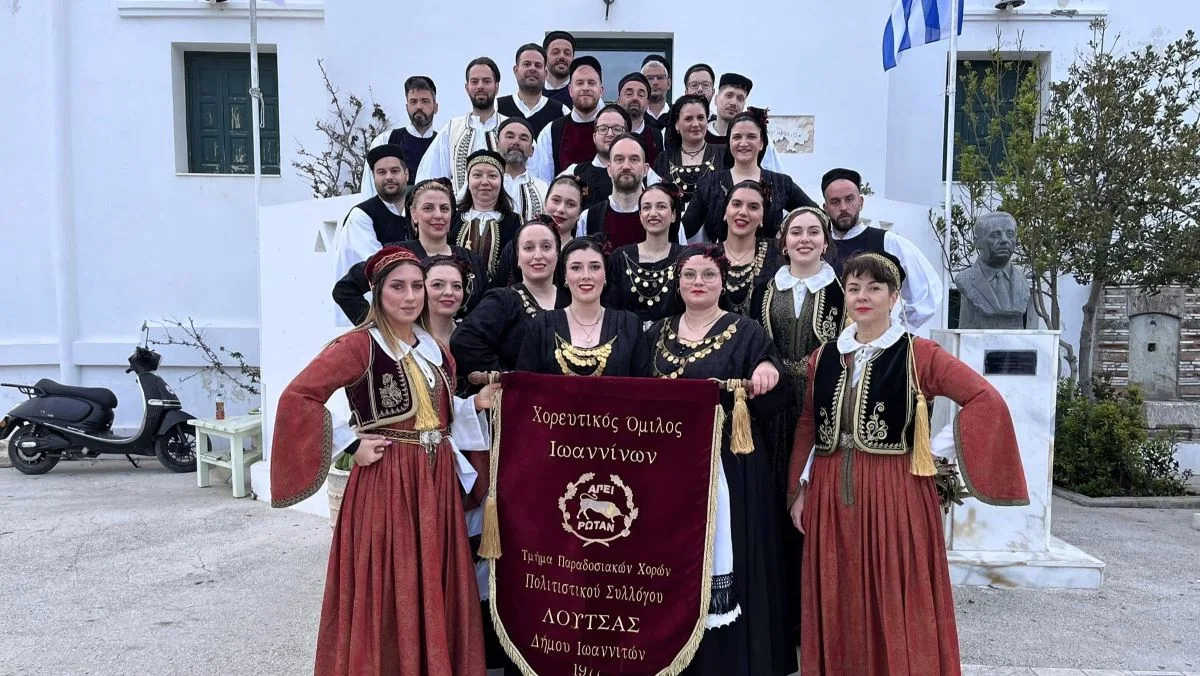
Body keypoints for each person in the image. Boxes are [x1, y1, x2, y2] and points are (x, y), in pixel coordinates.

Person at [788, 251, 1029, 676]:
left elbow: (983, 398)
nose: (863, 296)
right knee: (839, 588)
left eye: (874, 288)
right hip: (829, 490)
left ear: (894, 296)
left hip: (894, 491)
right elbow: (809, 421)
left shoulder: (920, 354)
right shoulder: (823, 356)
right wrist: (800, 489)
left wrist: (933, 450)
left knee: (894, 589)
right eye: (854, 288)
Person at [270, 245, 501, 676]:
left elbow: (438, 417)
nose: (410, 297)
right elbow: (299, 396)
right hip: (388, 482)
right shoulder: (359, 345)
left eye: (417, 287)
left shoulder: (434, 348)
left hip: (435, 481)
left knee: (433, 578)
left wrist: (476, 404)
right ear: (378, 293)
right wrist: (350, 444)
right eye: (398, 287)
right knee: (392, 579)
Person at [646, 244, 795, 676]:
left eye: (709, 275)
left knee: (729, 553)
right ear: (678, 282)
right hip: (667, 464)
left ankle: (728, 659)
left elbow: (777, 391)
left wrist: (768, 370)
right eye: (690, 275)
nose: (699, 282)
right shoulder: (655, 333)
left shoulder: (746, 332)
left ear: (722, 281)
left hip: (730, 463)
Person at [746, 206, 843, 639]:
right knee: (772, 499)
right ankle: (775, 615)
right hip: (771, 406)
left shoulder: (841, 291)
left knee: (813, 503)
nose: (805, 239)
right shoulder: (764, 290)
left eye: (813, 232)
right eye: (796, 232)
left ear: (825, 241)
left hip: (822, 404)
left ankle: (815, 615)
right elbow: (752, 343)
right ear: (783, 242)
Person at [332, 178, 488, 325]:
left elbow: (485, 308)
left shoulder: (471, 259)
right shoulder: (395, 254)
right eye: (428, 208)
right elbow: (345, 289)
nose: (438, 215)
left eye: (444, 208)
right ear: (414, 214)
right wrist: (379, 326)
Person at [821, 167, 942, 328]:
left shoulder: (887, 242)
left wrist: (898, 332)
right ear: (825, 208)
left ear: (860, 202)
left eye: (849, 199)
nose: (843, 207)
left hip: (872, 341)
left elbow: (927, 293)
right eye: (835, 202)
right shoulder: (817, 246)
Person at [450, 218, 570, 377]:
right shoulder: (503, 300)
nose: (538, 255)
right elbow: (463, 342)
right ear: (518, 257)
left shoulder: (571, 300)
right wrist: (506, 377)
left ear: (557, 254)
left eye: (546, 247)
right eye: (529, 248)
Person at [517, 237, 650, 376]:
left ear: (605, 275)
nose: (586, 276)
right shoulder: (541, 325)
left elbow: (643, 386)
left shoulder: (629, 325)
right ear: (565, 276)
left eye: (595, 267)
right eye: (576, 268)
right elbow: (524, 384)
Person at [683, 108, 817, 243]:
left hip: (770, 255)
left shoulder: (781, 183)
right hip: (722, 255)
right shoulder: (709, 184)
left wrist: (786, 233)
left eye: (751, 137)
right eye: (737, 137)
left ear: (762, 143)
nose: (743, 143)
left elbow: (814, 213)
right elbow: (686, 228)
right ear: (729, 142)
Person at [415, 57, 506, 193]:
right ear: (467, 87)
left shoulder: (511, 128)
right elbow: (428, 177)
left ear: (496, 86)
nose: (480, 86)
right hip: (460, 206)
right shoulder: (452, 129)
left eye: (486, 81)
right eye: (474, 81)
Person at [605, 182, 684, 327]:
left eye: (661, 206)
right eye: (647, 207)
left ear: (673, 215)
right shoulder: (620, 258)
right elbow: (610, 309)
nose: (653, 213)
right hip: (627, 337)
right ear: (640, 215)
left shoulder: (685, 258)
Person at [334, 144, 413, 284]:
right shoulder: (361, 216)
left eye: (394, 171)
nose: (389, 177)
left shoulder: (416, 212)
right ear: (373, 177)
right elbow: (378, 266)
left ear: (406, 174)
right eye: (382, 172)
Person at [492, 175, 585, 288]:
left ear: (579, 213)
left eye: (571, 204)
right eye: (556, 200)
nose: (561, 209)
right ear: (545, 202)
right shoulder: (516, 245)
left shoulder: (582, 253)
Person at [451, 150, 522, 285]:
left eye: (492, 176)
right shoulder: (452, 219)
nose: (484, 182)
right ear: (468, 181)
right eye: (477, 175)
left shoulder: (516, 222)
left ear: (501, 181)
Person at [529, 56, 605, 181]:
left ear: (601, 90)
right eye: (579, 83)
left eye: (591, 83)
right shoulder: (551, 132)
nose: (585, 88)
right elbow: (544, 182)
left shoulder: (614, 129)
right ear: (570, 90)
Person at [713, 180, 781, 314]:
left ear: (763, 216)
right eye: (736, 204)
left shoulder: (779, 253)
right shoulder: (706, 254)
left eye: (753, 207)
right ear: (725, 211)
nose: (743, 212)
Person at [362, 76, 439, 193]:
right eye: (413, 101)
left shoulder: (443, 143)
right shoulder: (385, 141)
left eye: (425, 101)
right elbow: (369, 190)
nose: (419, 106)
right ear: (407, 107)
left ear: (435, 107)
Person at [576, 134, 650, 250]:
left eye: (634, 159)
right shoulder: (589, 218)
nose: (626, 166)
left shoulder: (662, 217)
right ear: (609, 169)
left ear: (645, 170)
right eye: (619, 159)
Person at [653, 94, 726, 209]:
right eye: (688, 119)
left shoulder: (724, 154)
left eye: (701, 118)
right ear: (677, 124)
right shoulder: (663, 159)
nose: (696, 124)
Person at [705, 73, 784, 173]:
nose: (733, 103)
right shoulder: (701, 135)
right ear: (716, 99)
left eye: (740, 98)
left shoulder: (758, 139)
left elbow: (774, 174)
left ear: (744, 105)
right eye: (729, 95)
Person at [561, 104, 632, 210]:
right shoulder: (574, 172)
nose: (610, 134)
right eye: (603, 129)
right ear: (594, 137)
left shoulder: (643, 173)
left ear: (627, 136)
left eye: (617, 129)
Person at [496, 43, 568, 136]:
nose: (532, 69)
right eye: (527, 64)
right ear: (516, 70)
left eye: (538, 65)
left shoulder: (561, 112)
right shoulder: (497, 107)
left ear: (545, 73)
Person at [496, 117, 549, 222]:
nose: (516, 142)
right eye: (510, 136)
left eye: (523, 138)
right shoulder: (483, 183)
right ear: (497, 146)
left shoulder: (543, 188)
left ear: (532, 151)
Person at [617, 71, 664, 167]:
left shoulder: (658, 137)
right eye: (629, 94)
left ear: (647, 104)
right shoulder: (608, 134)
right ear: (619, 101)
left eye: (641, 95)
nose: (635, 98)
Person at [420, 255, 466, 347]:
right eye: (437, 285)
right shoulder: (408, 338)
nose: (449, 292)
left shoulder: (471, 335)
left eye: (456, 286)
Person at [541, 31, 576, 107]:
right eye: (555, 52)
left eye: (567, 53)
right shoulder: (534, 92)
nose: (562, 57)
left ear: (573, 58)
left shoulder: (580, 92)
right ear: (544, 58)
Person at [641, 55, 671, 129]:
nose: (655, 82)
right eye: (649, 78)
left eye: (660, 77)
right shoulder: (633, 117)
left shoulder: (678, 115)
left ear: (669, 83)